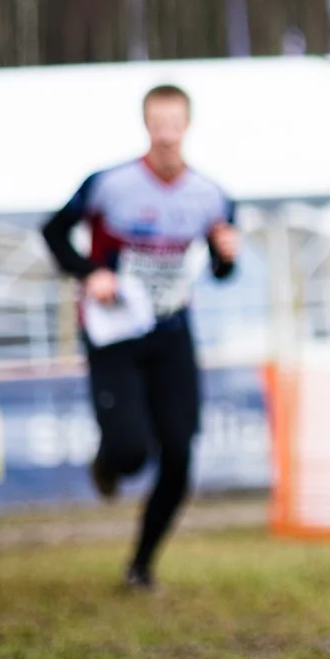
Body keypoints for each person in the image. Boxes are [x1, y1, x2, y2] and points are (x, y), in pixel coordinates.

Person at [41, 83, 239, 590]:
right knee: (131, 452)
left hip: (171, 331)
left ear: (188, 125)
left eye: (175, 123)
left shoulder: (211, 195)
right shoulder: (110, 184)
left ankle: (141, 564)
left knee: (178, 455)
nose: (167, 134)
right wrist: (90, 273)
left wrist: (225, 255)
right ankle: (109, 462)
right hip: (113, 331)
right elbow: (53, 233)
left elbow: (221, 269)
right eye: (158, 123)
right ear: (146, 125)